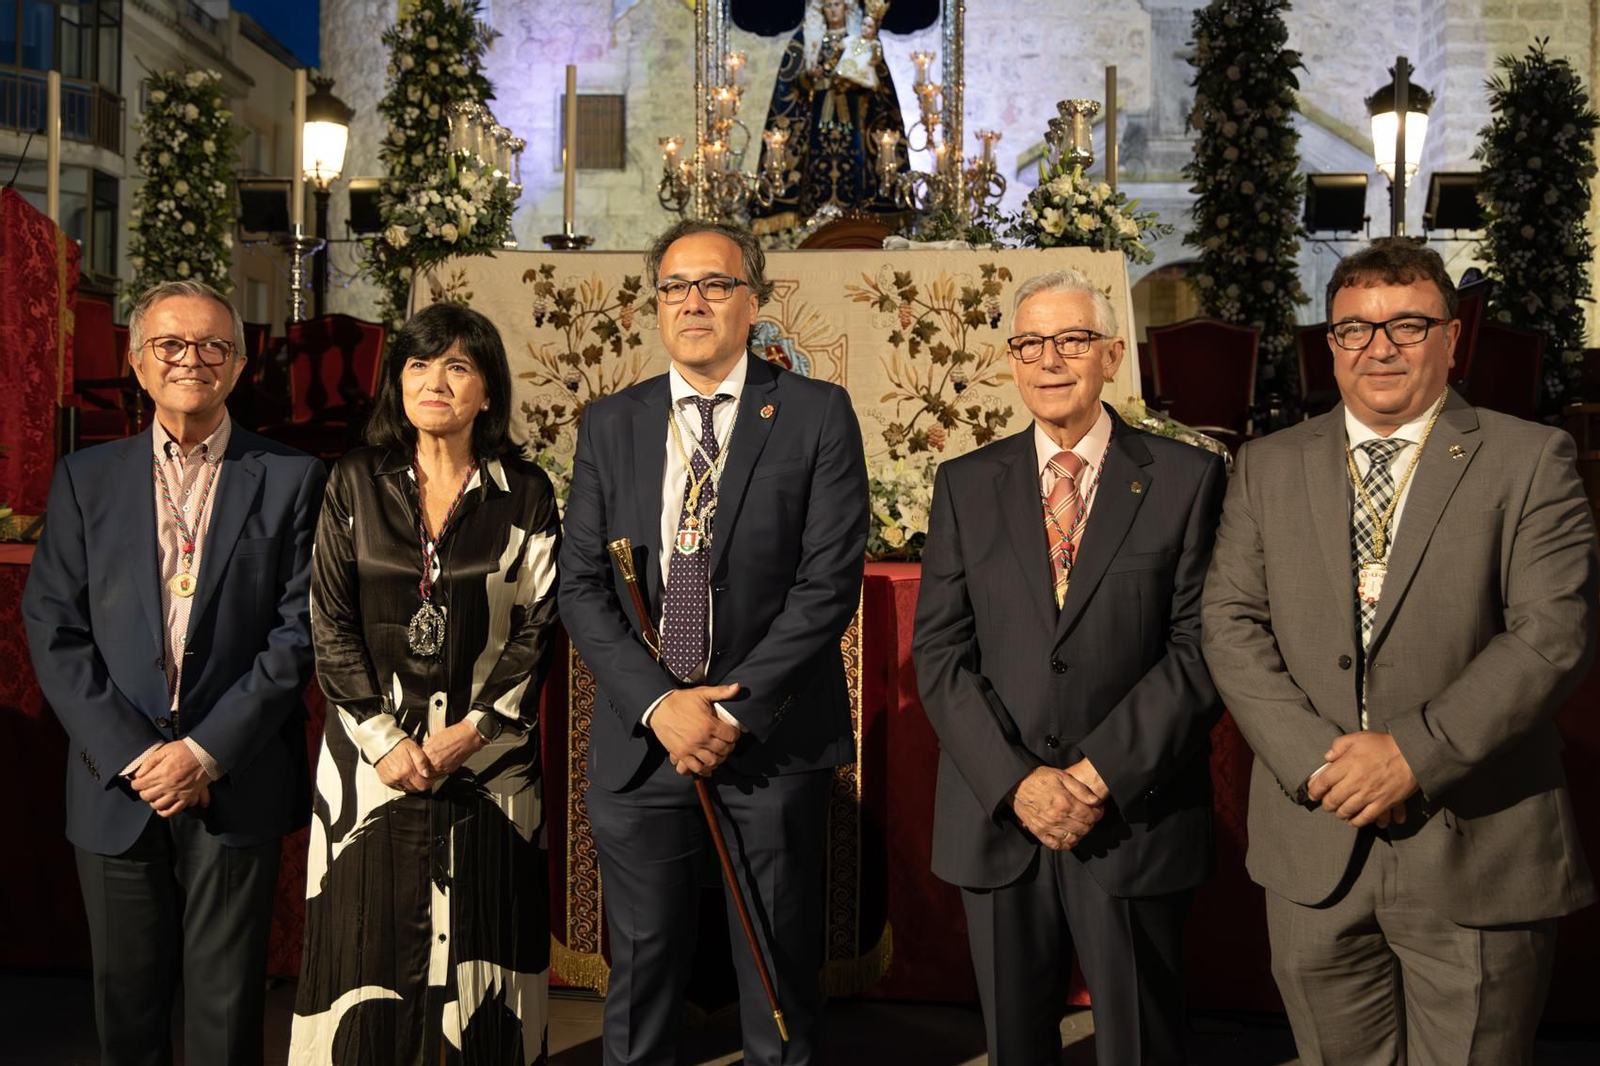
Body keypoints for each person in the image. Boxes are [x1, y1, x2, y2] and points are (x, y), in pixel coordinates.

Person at [1202, 238, 1597, 1065]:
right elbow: (1230, 625)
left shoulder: (1530, 460)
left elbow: (1551, 634)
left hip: (1475, 846)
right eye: (1355, 329)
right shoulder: (1266, 467)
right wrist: (1321, 764)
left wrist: (1413, 754)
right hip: (1317, 843)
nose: (1380, 347)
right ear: (1330, 344)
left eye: (1408, 326)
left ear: (1454, 339)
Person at [558, 218, 868, 1065]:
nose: (692, 303)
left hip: (769, 739)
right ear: (655, 304)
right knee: (642, 981)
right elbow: (580, 586)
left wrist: (730, 714)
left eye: (715, 285)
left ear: (753, 302)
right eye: (673, 287)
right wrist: (662, 705)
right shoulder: (611, 423)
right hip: (644, 740)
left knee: (775, 983)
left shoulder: (814, 412)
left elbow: (827, 583)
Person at [912, 269, 1226, 1064]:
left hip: (1131, 815)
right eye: (1030, 343)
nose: (1050, 360)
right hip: (1001, 815)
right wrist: (1019, 783)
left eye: (1073, 340)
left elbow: (1200, 651)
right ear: (1012, 361)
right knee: (1014, 1047)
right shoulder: (964, 484)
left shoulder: (1187, 479)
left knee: (1138, 1045)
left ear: (1112, 354)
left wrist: (1092, 778)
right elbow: (943, 654)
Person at [22, 279, 324, 1066]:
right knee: (127, 1009)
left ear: (240, 361)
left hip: (235, 776)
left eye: (212, 345)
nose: (192, 360)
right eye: (170, 345)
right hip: (115, 782)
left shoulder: (292, 478)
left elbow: (300, 633)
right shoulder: (86, 480)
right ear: (136, 362)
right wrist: (134, 753)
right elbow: (53, 627)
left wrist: (202, 752)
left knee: (227, 1018)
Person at [288, 303, 562, 1064]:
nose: (434, 381)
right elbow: (330, 622)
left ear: (487, 390)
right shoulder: (352, 482)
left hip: (491, 768)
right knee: (362, 956)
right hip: (370, 773)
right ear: (396, 383)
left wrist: (472, 731)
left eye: (457, 366)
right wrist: (385, 741)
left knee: (485, 965)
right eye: (417, 364)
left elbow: (539, 626)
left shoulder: (528, 492)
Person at [752, 0, 910, 234]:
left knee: (855, 168)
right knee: (815, 167)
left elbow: (879, 87)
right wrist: (809, 78)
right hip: (815, 125)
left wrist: (861, 79)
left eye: (837, 4)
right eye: (828, 6)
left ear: (847, 8)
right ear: (820, 9)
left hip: (853, 122)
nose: (833, 10)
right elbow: (791, 86)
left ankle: (859, 221)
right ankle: (810, 221)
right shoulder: (805, 40)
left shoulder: (861, 41)